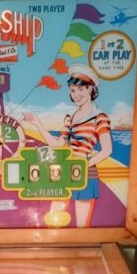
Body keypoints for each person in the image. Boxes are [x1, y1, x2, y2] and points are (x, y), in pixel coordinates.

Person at [23, 64, 112, 228]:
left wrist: (84, 164)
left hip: (86, 174)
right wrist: (37, 124)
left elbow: (107, 150)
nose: (76, 95)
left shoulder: (99, 117)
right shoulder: (70, 116)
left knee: (82, 227)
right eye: (72, 90)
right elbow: (58, 144)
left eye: (80, 89)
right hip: (65, 171)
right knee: (53, 221)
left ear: (91, 89)